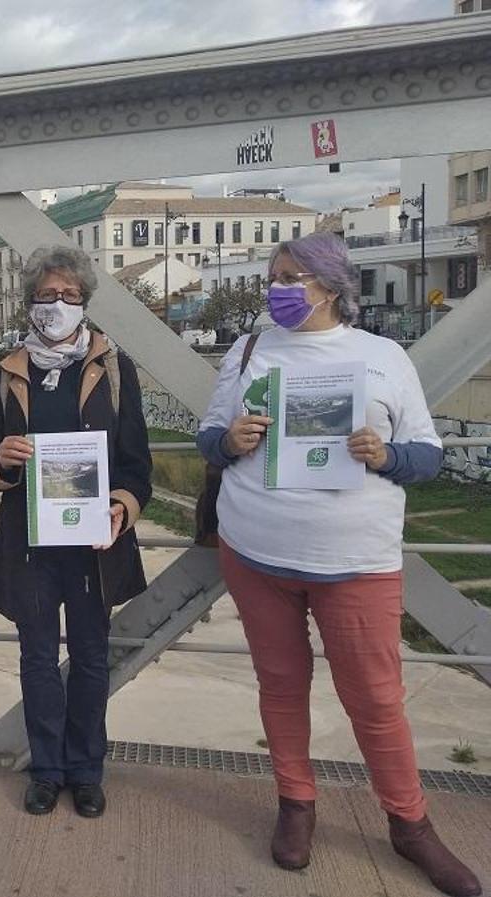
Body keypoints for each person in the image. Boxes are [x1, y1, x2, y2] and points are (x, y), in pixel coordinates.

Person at [197, 233, 481, 897]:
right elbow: (209, 437)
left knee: (377, 699)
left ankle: (410, 822)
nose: (279, 287)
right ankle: (297, 802)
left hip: (356, 562)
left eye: (293, 276)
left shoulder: (382, 357)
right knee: (280, 683)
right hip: (257, 553)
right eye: (275, 276)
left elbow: (428, 454)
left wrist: (385, 455)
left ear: (331, 285)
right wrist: (228, 441)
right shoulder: (247, 352)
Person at [0, 245, 152, 817]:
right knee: (37, 658)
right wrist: (1, 457)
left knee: (94, 658)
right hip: (30, 544)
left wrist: (123, 506)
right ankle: (47, 769)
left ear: (86, 303)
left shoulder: (115, 371)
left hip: (94, 545)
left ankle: (87, 770)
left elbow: (136, 465)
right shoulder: (6, 372)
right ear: (29, 303)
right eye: (47, 295)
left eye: (70, 296)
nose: (59, 305)